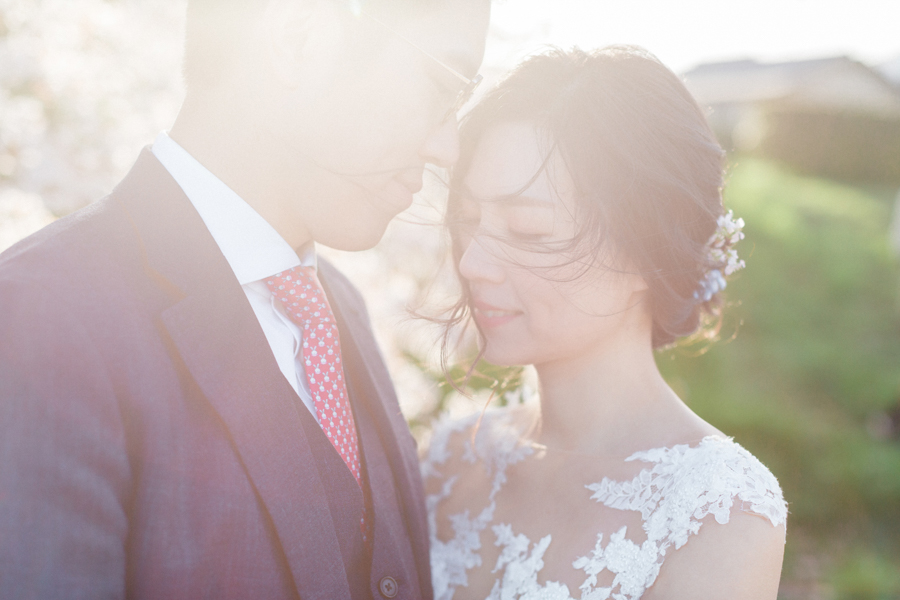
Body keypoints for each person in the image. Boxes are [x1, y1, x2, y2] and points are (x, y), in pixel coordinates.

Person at [0, 0, 489, 598]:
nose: (447, 147)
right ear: (299, 38)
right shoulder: (43, 315)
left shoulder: (342, 311)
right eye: (442, 86)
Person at [422, 47, 787, 600]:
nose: (471, 262)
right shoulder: (452, 456)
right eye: (469, 220)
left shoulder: (716, 510)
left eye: (527, 229)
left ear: (649, 251)